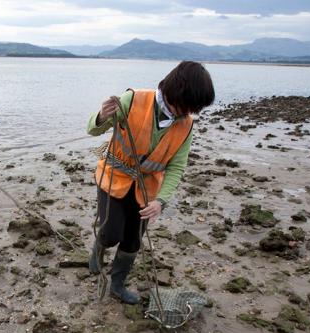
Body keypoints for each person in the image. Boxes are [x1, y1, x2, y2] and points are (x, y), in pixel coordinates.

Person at [87, 61, 215, 304]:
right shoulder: (132, 100)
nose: (187, 113)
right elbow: (91, 130)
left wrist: (161, 201)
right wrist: (102, 115)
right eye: (187, 106)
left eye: (193, 109)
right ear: (173, 92)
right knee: (111, 232)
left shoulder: (186, 124)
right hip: (113, 179)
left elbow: (177, 166)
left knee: (133, 240)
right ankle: (97, 252)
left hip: (146, 190)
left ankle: (117, 284)